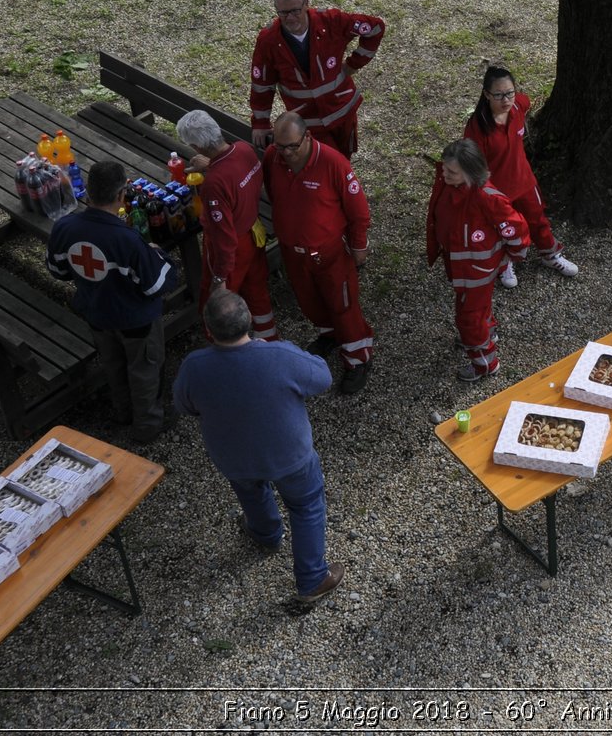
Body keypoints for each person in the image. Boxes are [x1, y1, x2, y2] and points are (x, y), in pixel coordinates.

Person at [174, 291, 343, 607]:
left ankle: (265, 534)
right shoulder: (279, 356)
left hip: (233, 456)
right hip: (289, 455)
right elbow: (323, 377)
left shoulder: (194, 366)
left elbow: (184, 405)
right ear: (249, 321)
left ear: (208, 330)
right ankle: (312, 579)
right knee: (306, 506)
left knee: (250, 492)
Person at [45, 160, 177, 442]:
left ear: (88, 193)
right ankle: (147, 427)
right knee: (144, 371)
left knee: (113, 365)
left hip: (97, 314)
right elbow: (154, 285)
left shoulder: (65, 227)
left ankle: (122, 412)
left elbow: (58, 270)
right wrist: (159, 255)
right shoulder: (127, 239)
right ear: (121, 195)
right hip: (135, 321)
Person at [263, 112, 374, 395]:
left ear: (308, 137)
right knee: (310, 302)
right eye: (280, 146)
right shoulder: (271, 158)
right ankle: (330, 335)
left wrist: (359, 246)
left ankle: (358, 357)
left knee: (344, 305)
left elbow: (358, 210)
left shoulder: (333, 163)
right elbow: (274, 194)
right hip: (294, 253)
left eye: (292, 146)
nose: (285, 153)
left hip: (331, 253)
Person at [462, 66, 579, 289]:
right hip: (497, 192)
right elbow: (472, 165)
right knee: (504, 229)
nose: (505, 99)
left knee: (538, 220)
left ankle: (550, 254)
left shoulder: (519, 105)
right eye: (498, 95)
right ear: (486, 95)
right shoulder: (477, 128)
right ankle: (504, 262)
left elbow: (526, 101)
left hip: (524, 181)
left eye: (509, 92)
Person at [425, 138, 529, 381]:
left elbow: (514, 229)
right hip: (461, 265)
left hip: (476, 271)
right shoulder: (449, 183)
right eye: (444, 168)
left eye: (452, 171)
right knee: (476, 309)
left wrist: (511, 256)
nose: (444, 174)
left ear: (470, 172)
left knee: (467, 319)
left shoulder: (487, 198)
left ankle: (485, 363)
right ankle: (488, 330)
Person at [249, 0, 385, 158]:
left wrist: (353, 64)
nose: (290, 18)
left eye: (295, 11)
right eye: (283, 13)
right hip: (308, 122)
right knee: (326, 164)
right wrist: (260, 123)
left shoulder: (331, 21)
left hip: (342, 112)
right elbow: (262, 84)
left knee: (344, 159)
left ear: (306, 3)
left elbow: (375, 28)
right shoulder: (269, 41)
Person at [176, 110, 277, 340]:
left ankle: (219, 345)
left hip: (232, 247)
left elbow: (223, 238)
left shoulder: (213, 184)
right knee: (256, 290)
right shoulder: (243, 149)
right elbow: (235, 175)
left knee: (217, 306)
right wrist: (212, 165)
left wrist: (219, 279)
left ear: (197, 147)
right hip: (254, 232)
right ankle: (269, 339)